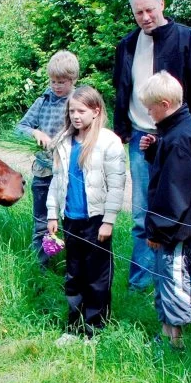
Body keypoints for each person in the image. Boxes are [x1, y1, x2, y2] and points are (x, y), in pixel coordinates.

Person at [112, 0, 191, 290]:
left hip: (178, 141)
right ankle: (142, 283)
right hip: (141, 136)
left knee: (179, 211)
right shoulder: (127, 45)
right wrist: (122, 132)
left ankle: (181, 284)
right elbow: (121, 89)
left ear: (162, 5)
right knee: (142, 214)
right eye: (138, 12)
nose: (145, 17)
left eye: (149, 10)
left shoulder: (189, 40)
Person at [46, 85, 127, 345]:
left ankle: (94, 329)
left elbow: (117, 185)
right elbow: (56, 180)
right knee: (74, 274)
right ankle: (73, 327)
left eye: (81, 110)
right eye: (72, 111)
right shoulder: (63, 142)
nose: (76, 116)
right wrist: (52, 214)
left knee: (97, 277)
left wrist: (109, 220)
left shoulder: (109, 141)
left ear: (96, 110)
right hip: (71, 219)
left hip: (96, 220)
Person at [137, 72, 191, 349]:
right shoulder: (177, 130)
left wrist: (157, 228)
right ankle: (166, 332)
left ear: (165, 104)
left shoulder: (179, 138)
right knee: (165, 278)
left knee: (174, 279)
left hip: (175, 229)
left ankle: (175, 343)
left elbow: (174, 193)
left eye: (150, 107)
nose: (148, 111)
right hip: (173, 227)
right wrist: (154, 151)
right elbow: (169, 169)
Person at [17, 50, 79, 267]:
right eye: (53, 81)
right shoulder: (43, 100)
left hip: (71, 173)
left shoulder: (79, 101)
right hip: (43, 171)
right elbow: (20, 127)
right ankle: (43, 267)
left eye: (61, 82)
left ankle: (73, 268)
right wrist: (36, 133)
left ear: (73, 80)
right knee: (42, 223)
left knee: (73, 222)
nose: (56, 86)